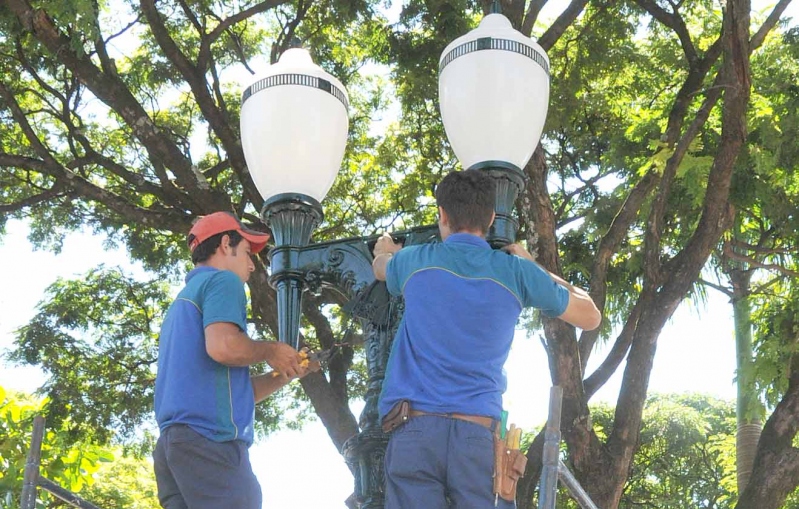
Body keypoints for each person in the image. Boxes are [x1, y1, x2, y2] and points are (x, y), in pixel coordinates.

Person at [372, 169, 601, 509]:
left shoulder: (417, 260)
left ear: (443, 216)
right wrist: (535, 266)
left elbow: (380, 267)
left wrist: (385, 249)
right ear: (492, 218)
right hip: (477, 439)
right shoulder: (515, 272)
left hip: (414, 434)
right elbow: (590, 314)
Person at [153, 211, 317, 509]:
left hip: (174, 447)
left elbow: (235, 391)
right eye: (246, 252)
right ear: (225, 244)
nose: (253, 265)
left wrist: (286, 372)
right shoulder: (223, 282)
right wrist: (271, 350)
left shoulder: (182, 302)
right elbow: (224, 348)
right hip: (210, 442)